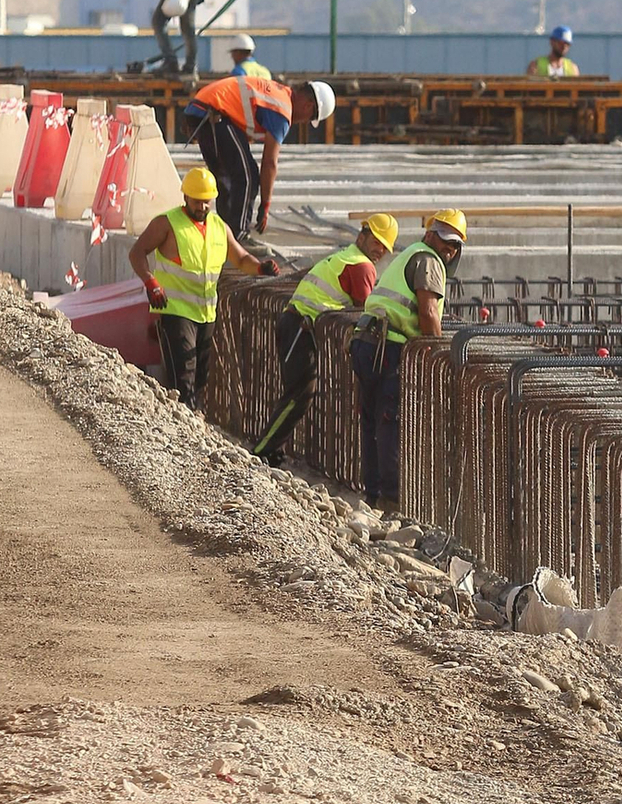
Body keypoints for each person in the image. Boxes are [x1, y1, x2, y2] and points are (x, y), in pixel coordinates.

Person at [253, 214, 399, 466]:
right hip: (300, 327)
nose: (380, 251)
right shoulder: (361, 265)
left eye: (385, 247)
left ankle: (272, 448)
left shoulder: (345, 256)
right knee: (299, 394)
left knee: (299, 393)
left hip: (296, 324)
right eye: (377, 242)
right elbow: (364, 309)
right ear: (362, 235)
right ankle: (263, 450)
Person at [128, 166, 275, 408]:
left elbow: (240, 258)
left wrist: (260, 268)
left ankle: (194, 422)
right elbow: (137, 253)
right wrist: (151, 282)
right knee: (182, 378)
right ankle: (182, 425)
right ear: (185, 196)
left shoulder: (219, 227)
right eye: (197, 202)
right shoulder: (167, 224)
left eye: (207, 202)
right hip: (175, 311)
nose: (202, 207)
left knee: (200, 378)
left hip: (206, 314)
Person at [351, 209, 468, 507]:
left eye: (453, 244)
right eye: (443, 239)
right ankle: (392, 499)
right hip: (387, 348)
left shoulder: (410, 253)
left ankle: (374, 494)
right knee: (390, 422)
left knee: (373, 421)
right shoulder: (429, 260)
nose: (448, 248)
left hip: (368, 341)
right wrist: (441, 354)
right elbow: (429, 314)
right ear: (430, 235)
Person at [182, 68, 337, 240]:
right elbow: (270, 162)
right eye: (310, 118)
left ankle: (224, 238)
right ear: (308, 106)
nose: (304, 122)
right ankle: (238, 237)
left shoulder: (279, 94)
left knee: (226, 181)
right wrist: (265, 205)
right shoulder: (283, 110)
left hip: (202, 111)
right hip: (214, 114)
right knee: (248, 177)